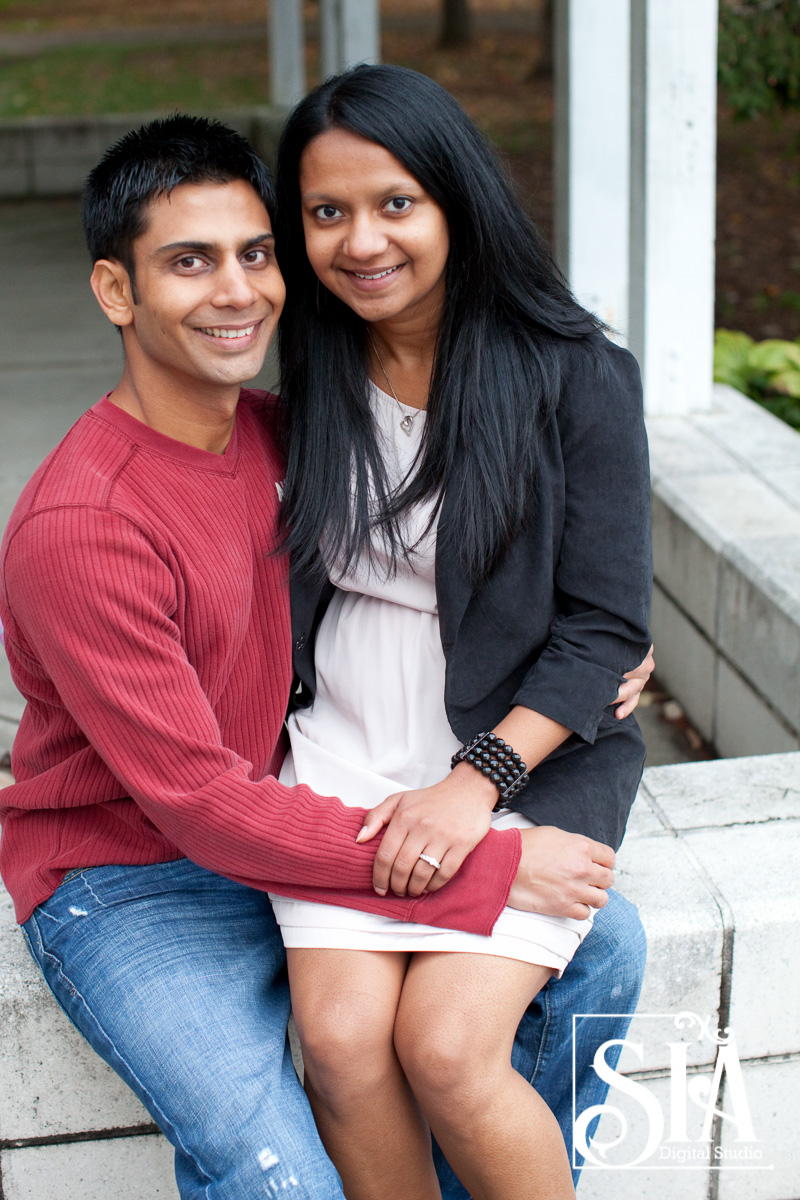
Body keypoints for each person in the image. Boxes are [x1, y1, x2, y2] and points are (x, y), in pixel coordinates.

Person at [0, 115, 648, 1200]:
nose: (237, 292)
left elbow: (557, 586)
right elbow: (201, 803)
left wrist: (581, 665)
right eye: (189, 263)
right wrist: (487, 859)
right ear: (117, 292)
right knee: (291, 1158)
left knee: (546, 984)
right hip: (136, 873)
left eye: (254, 254)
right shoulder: (85, 521)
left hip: (304, 809)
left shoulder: (278, 426)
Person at [267, 65, 654, 1200]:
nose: (359, 241)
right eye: (325, 212)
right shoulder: (317, 364)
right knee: (339, 1045)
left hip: (509, 754)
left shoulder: (575, 375)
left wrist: (472, 783)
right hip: (338, 743)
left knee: (444, 1046)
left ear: (454, 200)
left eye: (395, 203)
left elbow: (601, 623)